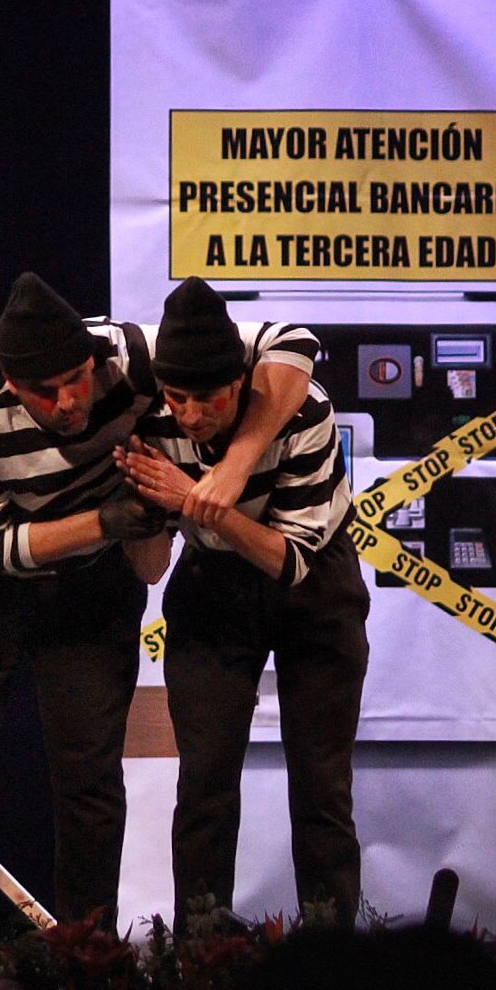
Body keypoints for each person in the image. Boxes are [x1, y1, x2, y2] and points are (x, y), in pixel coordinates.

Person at [0, 271, 317, 933]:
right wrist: (106, 522)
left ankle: (86, 961)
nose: (70, 399)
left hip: (91, 583)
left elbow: (291, 342)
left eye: (78, 377)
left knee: (90, 775)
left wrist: (232, 469)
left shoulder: (126, 353)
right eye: (47, 391)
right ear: (13, 385)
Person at [117, 276, 369, 929]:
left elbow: (289, 563)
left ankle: (329, 952)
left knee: (321, 788)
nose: (192, 415)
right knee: (203, 782)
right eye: (178, 398)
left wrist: (202, 499)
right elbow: (149, 569)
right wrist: (144, 514)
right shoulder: (149, 413)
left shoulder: (303, 411)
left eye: (209, 399)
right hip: (212, 580)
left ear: (242, 383)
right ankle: (200, 961)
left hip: (310, 578)